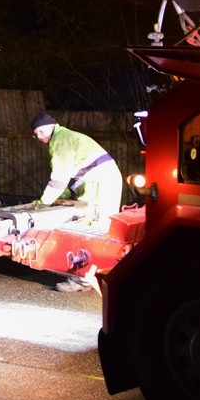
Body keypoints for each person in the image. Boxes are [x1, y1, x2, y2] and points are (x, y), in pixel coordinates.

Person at [31, 112, 123, 292]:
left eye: (41, 131)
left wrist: (44, 203)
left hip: (99, 183)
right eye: (36, 134)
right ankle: (97, 274)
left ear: (52, 126)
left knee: (88, 227)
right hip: (104, 180)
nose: (39, 136)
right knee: (100, 228)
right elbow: (68, 178)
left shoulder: (59, 140)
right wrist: (60, 198)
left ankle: (82, 279)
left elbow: (59, 177)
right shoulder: (66, 137)